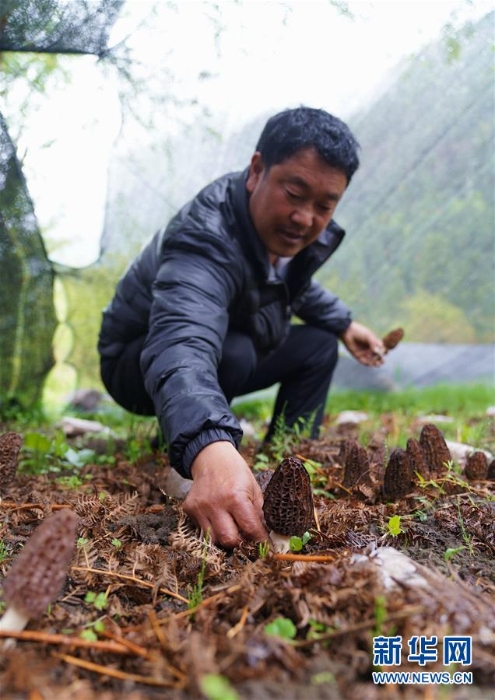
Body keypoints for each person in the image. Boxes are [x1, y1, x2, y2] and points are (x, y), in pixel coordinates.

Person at [98, 106, 385, 548]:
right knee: (234, 351)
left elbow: (290, 287)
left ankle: (290, 463)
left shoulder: (277, 237)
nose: (305, 218)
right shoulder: (204, 237)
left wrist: (346, 324)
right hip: (137, 366)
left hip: (218, 348)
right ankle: (194, 453)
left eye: (324, 206)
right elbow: (182, 341)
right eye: (294, 193)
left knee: (318, 345)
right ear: (256, 170)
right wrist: (209, 446)